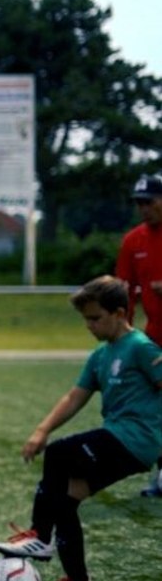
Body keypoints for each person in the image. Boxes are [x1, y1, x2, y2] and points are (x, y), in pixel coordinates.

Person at [0, 275, 162, 581]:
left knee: (59, 454)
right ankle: (77, 580)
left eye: (95, 318)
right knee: (65, 500)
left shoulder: (140, 347)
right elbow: (75, 397)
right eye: (85, 319)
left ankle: (40, 535)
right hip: (120, 440)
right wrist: (41, 429)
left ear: (120, 313)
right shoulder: (100, 355)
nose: (89, 326)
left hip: (135, 440)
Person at [114, 172, 162, 497]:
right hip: (155, 339)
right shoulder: (133, 241)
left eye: (149, 202)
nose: (144, 208)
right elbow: (123, 293)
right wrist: (122, 336)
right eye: (139, 203)